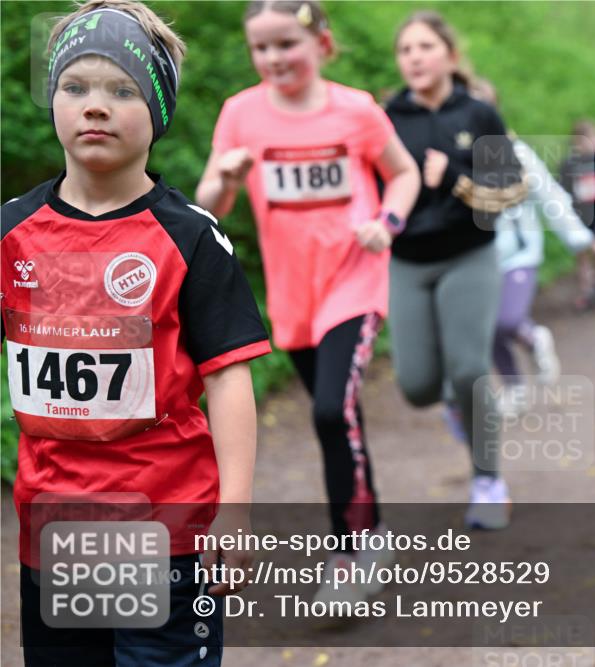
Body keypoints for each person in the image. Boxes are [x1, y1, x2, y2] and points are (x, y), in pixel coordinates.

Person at [3, 2, 271, 664]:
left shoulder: (189, 238)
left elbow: (228, 374)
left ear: (158, 111)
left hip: (168, 528)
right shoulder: (12, 231)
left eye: (122, 89)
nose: (95, 106)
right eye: (76, 86)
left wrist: (234, 509)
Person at [196, 0, 420, 606]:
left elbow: (404, 174)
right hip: (293, 292)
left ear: (320, 43)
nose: (273, 59)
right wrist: (229, 178)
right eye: (261, 48)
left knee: (329, 410)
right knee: (339, 418)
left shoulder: (357, 110)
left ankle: (354, 549)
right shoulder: (240, 114)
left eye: (285, 45)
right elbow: (209, 208)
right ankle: (373, 529)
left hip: (356, 278)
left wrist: (388, 219)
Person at [385, 11, 526, 530]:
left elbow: (511, 189)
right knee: (418, 385)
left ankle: (488, 479)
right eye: (406, 50)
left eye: (425, 47)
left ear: (448, 54)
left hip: (469, 251)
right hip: (407, 259)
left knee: (469, 368)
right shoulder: (386, 117)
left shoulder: (478, 113)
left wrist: (455, 179)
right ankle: (456, 406)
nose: (415, 57)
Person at [470, 80, 595, 410]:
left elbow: (549, 195)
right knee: (486, 327)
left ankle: (533, 336)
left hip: (519, 253)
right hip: (476, 258)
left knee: (507, 320)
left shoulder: (518, 153)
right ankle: (514, 389)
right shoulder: (457, 156)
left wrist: (577, 236)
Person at [560, 120, 595, 312]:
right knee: (582, 256)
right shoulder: (568, 164)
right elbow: (562, 190)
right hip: (578, 216)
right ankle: (586, 291)